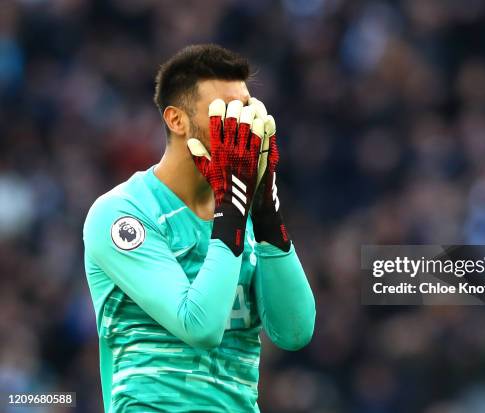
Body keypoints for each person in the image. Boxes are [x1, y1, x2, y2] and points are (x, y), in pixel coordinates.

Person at [83, 44, 316, 413]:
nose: (242, 124)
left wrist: (266, 212)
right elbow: (200, 327)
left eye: (247, 107)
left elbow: (295, 332)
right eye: (225, 110)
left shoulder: (245, 211)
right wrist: (234, 209)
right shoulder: (123, 213)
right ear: (177, 121)